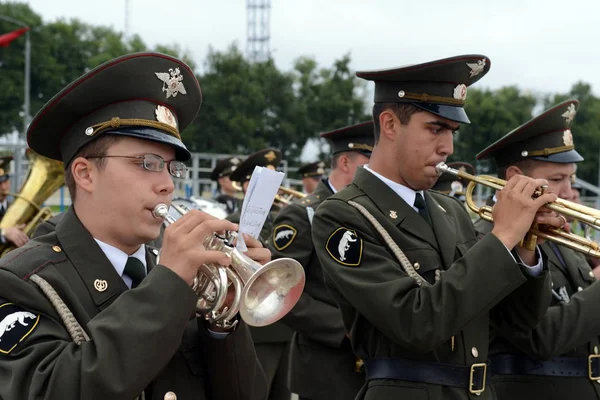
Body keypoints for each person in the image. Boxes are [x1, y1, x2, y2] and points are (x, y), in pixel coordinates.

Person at [0, 52, 268, 400]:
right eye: (148, 163)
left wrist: (223, 319)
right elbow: (53, 389)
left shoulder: (180, 269)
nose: (167, 184)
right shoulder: (21, 281)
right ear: (85, 173)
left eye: (171, 167)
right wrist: (168, 285)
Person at [311, 54, 565, 400]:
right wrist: (503, 235)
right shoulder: (343, 215)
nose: (448, 147)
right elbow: (417, 323)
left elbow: (516, 323)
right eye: (435, 129)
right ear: (389, 124)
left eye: (452, 132)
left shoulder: (450, 209)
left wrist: (525, 248)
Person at [475, 99, 600, 400]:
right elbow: (538, 336)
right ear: (515, 177)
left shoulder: (558, 235)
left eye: (570, 178)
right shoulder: (489, 239)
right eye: (557, 179)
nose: (570, 192)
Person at [270, 121, 373, 400]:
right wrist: (344, 328)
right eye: (370, 162)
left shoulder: (372, 212)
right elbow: (278, 291)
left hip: (374, 367)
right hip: (324, 368)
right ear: (345, 163)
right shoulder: (302, 215)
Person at [228, 148, 294, 400]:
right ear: (248, 186)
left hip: (283, 325)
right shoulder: (236, 221)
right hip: (256, 328)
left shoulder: (282, 219)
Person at [0, 155, 29, 248]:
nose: (4, 188)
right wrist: (3, 233)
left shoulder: (12, 208)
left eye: (6, 181)